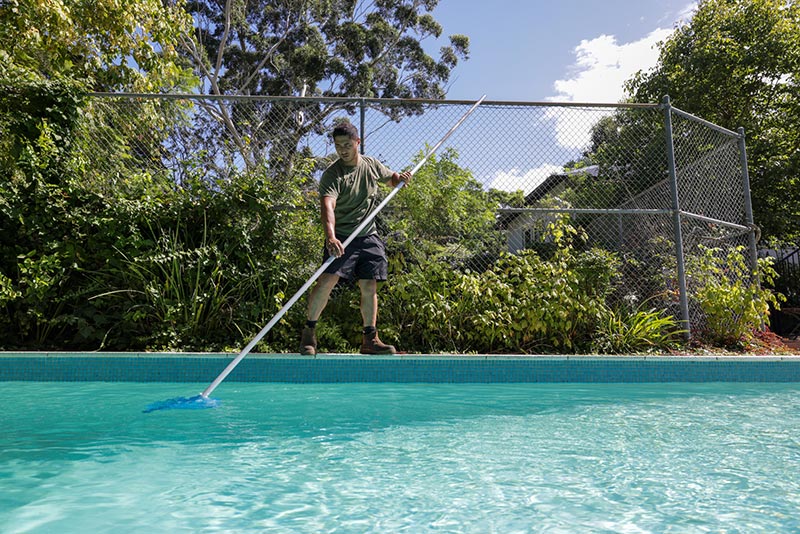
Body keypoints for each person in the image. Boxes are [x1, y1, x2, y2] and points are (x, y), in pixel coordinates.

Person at [299, 122, 412, 355]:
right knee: (326, 282)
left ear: (357, 143)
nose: (343, 150)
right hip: (341, 236)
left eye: (347, 145)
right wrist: (330, 236)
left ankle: (370, 339)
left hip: (368, 234)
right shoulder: (333, 173)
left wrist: (400, 178)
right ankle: (308, 334)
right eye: (338, 145)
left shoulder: (370, 164)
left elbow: (391, 179)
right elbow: (327, 207)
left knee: (369, 285)